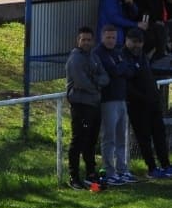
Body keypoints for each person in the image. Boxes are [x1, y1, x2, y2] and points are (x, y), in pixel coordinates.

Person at [121, 27, 172, 178]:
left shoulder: (142, 56)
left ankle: (165, 165)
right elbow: (127, 84)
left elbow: (149, 74)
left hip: (153, 103)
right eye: (134, 42)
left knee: (159, 134)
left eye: (140, 42)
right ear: (127, 40)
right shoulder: (123, 57)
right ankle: (152, 168)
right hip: (137, 105)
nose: (137, 45)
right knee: (144, 137)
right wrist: (142, 98)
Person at [65, 27, 110, 189]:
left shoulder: (94, 57)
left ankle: (91, 173)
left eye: (88, 40)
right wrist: (96, 84)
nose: (86, 42)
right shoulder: (75, 59)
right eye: (83, 40)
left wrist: (95, 81)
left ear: (93, 41)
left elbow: (105, 77)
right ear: (78, 41)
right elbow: (81, 82)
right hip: (81, 105)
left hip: (94, 105)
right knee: (78, 140)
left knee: (91, 141)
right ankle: (74, 177)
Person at [94, 24, 139, 183]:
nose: (111, 40)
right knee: (109, 137)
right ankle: (109, 171)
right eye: (108, 37)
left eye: (113, 37)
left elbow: (129, 71)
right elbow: (113, 71)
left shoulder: (118, 52)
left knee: (121, 137)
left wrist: (120, 68)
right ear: (102, 37)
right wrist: (121, 68)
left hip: (121, 99)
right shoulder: (98, 53)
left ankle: (122, 170)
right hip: (108, 100)